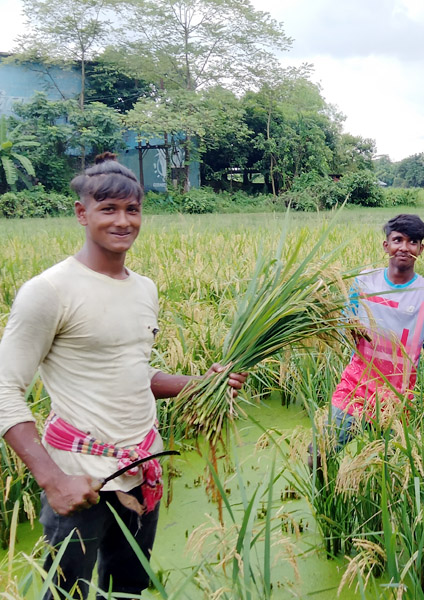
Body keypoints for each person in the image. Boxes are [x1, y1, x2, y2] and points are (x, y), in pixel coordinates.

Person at [0, 153, 246, 599]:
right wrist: (53, 480)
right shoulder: (49, 291)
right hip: (81, 479)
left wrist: (201, 384)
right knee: (67, 591)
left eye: (131, 209)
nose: (122, 221)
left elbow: (131, 371)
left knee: (128, 587)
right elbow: (3, 389)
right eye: (107, 209)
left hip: (140, 469)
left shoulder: (144, 288)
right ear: (82, 213)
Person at [319, 214, 424, 460]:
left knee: (394, 469)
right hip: (356, 387)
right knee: (319, 451)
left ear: (420, 249)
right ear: (386, 245)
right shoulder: (364, 282)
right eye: (398, 240)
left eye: (413, 242)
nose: (404, 247)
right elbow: (343, 326)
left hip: (399, 398)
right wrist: (349, 330)